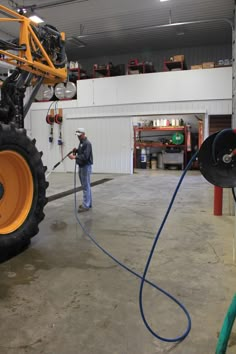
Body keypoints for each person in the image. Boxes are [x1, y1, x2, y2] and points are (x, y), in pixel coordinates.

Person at [69, 128, 93, 212]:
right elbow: (82, 152)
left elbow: (85, 156)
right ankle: (88, 203)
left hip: (85, 166)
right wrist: (77, 150)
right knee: (86, 186)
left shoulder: (87, 143)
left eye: (79, 136)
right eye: (77, 136)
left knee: (85, 186)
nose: (78, 137)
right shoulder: (82, 143)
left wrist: (75, 157)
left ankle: (86, 205)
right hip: (81, 166)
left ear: (83, 134)